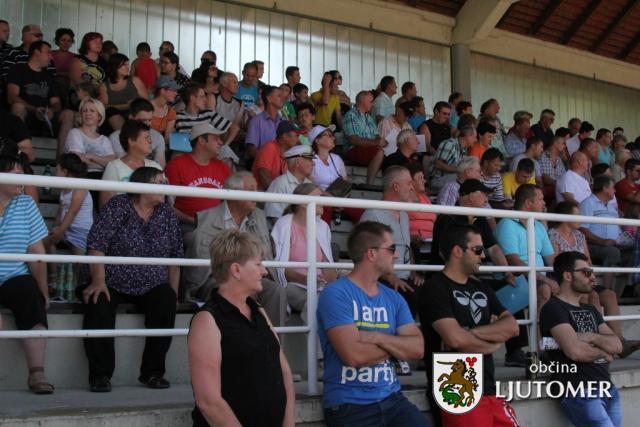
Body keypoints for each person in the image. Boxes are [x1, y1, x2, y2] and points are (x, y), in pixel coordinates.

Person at [316, 221, 428, 427]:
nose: (396, 255)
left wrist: (377, 337)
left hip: (392, 400)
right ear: (371, 253)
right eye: (391, 249)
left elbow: (418, 349)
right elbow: (354, 356)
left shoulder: (394, 298)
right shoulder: (336, 294)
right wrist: (397, 347)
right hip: (349, 404)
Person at [81, 167, 182, 393]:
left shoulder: (166, 213)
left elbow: (175, 258)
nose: (165, 186)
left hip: (151, 283)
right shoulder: (118, 206)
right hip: (112, 279)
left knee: (166, 299)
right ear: (141, 185)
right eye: (159, 182)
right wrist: (99, 281)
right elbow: (97, 245)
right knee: (98, 300)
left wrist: (174, 292)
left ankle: (153, 373)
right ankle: (100, 375)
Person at [188, 229, 295, 427]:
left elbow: (284, 372)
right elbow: (209, 402)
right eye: (258, 264)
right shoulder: (207, 321)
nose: (264, 271)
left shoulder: (258, 310)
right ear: (236, 270)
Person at [419, 224, 520, 427]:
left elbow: (512, 327)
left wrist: (470, 333)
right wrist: (493, 342)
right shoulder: (434, 288)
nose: (483, 256)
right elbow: (455, 339)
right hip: (455, 390)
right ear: (457, 251)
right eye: (477, 250)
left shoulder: (482, 287)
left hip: (489, 389)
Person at [185, 172, 285, 324]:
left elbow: (264, 254)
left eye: (256, 189)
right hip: (218, 277)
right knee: (242, 288)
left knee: (276, 291)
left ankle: (273, 338)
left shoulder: (259, 216)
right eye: (251, 190)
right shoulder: (208, 218)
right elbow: (202, 264)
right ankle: (245, 337)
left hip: (252, 275)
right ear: (233, 194)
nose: (257, 194)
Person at [540, 251, 622, 427]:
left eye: (592, 272)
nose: (592, 277)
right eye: (586, 272)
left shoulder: (590, 309)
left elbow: (617, 345)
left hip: (607, 388)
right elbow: (575, 352)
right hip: (578, 390)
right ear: (568, 276)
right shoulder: (554, 308)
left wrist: (590, 336)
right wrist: (604, 353)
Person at [0, 155, 54, 394]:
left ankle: (37, 373)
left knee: (32, 298)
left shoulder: (26, 203)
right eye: (16, 173)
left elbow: (36, 251)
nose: (23, 178)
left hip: (14, 275)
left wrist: (43, 291)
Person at [495, 184, 558, 366]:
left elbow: (551, 258)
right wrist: (544, 279)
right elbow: (513, 260)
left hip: (537, 278)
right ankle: (539, 349)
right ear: (528, 203)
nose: (544, 203)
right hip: (516, 278)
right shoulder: (507, 223)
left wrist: (566, 276)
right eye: (541, 199)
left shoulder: (538, 225)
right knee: (544, 289)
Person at [360, 166, 424, 312]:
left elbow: (407, 246)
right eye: (409, 183)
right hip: (383, 280)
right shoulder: (373, 214)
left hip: (405, 278)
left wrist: (414, 272)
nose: (412, 188)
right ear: (396, 186)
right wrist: (390, 278)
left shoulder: (404, 214)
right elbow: (363, 253)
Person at [272, 184, 337, 321]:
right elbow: (280, 268)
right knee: (315, 303)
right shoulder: (283, 224)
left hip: (320, 286)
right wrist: (308, 279)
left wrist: (331, 280)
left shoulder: (323, 226)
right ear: (303, 203)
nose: (322, 201)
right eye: (318, 197)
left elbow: (327, 264)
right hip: (294, 285)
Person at [430, 179, 515, 285]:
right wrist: (469, 277)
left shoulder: (479, 218)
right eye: (484, 195)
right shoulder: (447, 218)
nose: (486, 200)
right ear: (471, 196)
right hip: (445, 279)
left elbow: (493, 248)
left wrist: (507, 273)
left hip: (470, 276)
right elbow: (444, 253)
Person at [7, 40, 75, 156]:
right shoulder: (18, 69)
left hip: (46, 117)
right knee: (17, 107)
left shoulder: (49, 75)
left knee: (68, 114)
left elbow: (56, 102)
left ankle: (62, 161)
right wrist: (34, 109)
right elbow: (11, 97)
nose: (51, 57)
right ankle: (20, 157)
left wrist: (51, 110)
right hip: (26, 114)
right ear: (36, 52)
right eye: (48, 53)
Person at [165, 122, 232, 225]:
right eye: (215, 138)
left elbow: (232, 201)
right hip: (187, 226)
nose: (221, 142)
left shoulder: (223, 167)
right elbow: (166, 205)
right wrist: (194, 221)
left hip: (219, 226)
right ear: (201, 140)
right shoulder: (176, 165)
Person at [43, 153, 93, 284]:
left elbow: (72, 212)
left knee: (79, 258)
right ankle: (54, 276)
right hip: (66, 228)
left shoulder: (80, 186)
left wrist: (60, 231)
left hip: (81, 231)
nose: (55, 173)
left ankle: (77, 283)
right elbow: (60, 212)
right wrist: (55, 229)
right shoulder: (64, 189)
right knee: (46, 242)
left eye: (57, 170)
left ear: (65, 171)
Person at [580, 175, 625, 294]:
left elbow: (618, 228)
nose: (615, 191)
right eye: (613, 187)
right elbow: (582, 229)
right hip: (592, 245)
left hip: (615, 244)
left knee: (633, 253)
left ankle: (626, 292)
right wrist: (603, 242)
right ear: (605, 188)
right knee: (613, 252)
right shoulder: (587, 203)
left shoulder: (611, 206)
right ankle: (606, 291)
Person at [100, 120, 162, 207]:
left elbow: (162, 201)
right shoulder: (114, 167)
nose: (150, 141)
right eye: (146, 138)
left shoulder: (155, 166)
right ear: (131, 141)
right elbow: (106, 205)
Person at [174, 83, 237, 165]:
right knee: (176, 155)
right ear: (192, 98)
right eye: (202, 97)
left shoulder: (208, 114)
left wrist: (226, 144)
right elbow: (174, 143)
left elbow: (234, 128)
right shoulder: (178, 117)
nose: (205, 100)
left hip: (209, 153)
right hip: (188, 154)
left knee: (226, 154)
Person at [65, 98, 116, 179]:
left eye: (92, 111)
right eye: (84, 111)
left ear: (99, 116)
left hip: (102, 178)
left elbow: (112, 162)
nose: (88, 113)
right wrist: (101, 165)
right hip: (81, 177)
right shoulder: (75, 133)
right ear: (81, 115)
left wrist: (91, 156)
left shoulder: (104, 139)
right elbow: (77, 158)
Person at [108, 98, 166, 167]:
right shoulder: (115, 137)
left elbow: (160, 167)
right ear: (131, 118)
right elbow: (122, 165)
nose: (147, 124)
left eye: (150, 120)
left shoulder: (158, 137)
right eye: (143, 120)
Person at [342, 90, 385, 185]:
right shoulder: (351, 115)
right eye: (371, 101)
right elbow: (353, 140)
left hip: (368, 149)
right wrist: (376, 143)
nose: (373, 104)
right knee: (379, 152)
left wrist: (381, 141)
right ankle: (369, 185)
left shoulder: (369, 117)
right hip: (353, 150)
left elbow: (377, 136)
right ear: (362, 101)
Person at [98, 53, 148, 131]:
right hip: (113, 118)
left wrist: (132, 105)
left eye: (128, 64)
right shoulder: (104, 86)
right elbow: (104, 107)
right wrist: (127, 105)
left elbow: (146, 101)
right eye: (124, 65)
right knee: (111, 111)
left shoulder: (135, 80)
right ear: (115, 66)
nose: (127, 67)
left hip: (135, 115)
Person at [264, 145, 314, 221]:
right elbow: (275, 217)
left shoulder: (309, 184)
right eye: (309, 160)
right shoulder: (280, 183)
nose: (313, 163)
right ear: (297, 162)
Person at [252, 121, 300, 191]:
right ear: (285, 136)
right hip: (262, 195)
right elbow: (264, 174)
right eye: (296, 136)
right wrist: (275, 194)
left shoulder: (288, 153)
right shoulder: (269, 147)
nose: (298, 140)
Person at [430, 126, 477, 193]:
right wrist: (458, 169)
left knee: (470, 173)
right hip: (438, 179)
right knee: (465, 175)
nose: (476, 140)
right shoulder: (450, 144)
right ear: (468, 136)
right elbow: (438, 164)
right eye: (474, 137)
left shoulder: (463, 150)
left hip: (450, 179)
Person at [246, 85, 284, 161]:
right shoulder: (256, 121)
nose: (282, 98)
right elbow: (251, 149)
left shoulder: (283, 121)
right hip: (264, 163)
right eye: (279, 96)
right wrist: (267, 160)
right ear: (269, 99)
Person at [309, 124, 347, 191]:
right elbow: (310, 186)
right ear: (317, 141)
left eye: (332, 135)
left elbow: (345, 182)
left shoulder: (337, 158)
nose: (333, 138)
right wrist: (328, 195)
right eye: (328, 135)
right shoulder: (310, 160)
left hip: (338, 196)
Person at [407, 163, 436, 241]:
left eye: (423, 178)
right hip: (414, 242)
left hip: (431, 240)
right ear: (411, 181)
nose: (424, 181)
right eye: (420, 178)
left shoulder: (425, 199)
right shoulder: (403, 199)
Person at [150, 75, 178, 142]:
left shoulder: (171, 112)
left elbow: (167, 139)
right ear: (162, 91)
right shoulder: (145, 107)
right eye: (173, 90)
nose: (176, 93)